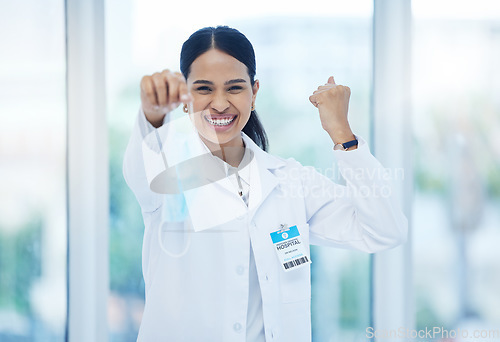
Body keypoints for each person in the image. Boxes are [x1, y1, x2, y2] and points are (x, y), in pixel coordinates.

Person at [123, 25, 408, 342]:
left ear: (254, 92)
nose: (219, 104)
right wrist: (152, 115)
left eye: (234, 88)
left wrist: (342, 133)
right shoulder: (168, 172)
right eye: (204, 89)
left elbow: (385, 230)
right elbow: (142, 167)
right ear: (185, 96)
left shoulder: (289, 181)